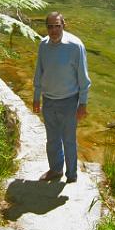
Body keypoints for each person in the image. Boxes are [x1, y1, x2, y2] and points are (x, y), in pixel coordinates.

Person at [33, 11, 91, 183]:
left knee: (69, 141)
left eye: (57, 26)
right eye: (50, 26)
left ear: (63, 25)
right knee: (52, 140)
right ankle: (55, 170)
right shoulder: (43, 45)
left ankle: (71, 176)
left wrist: (83, 104)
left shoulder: (75, 46)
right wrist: (37, 97)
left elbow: (84, 78)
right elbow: (39, 72)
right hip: (48, 100)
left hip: (69, 102)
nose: (53, 30)